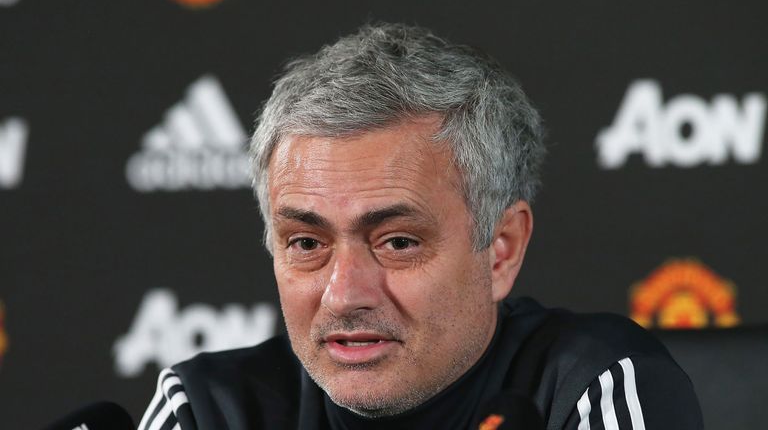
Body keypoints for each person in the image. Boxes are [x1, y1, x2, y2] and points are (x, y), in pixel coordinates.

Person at [138, 23, 702, 430]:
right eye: (307, 243)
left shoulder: (591, 389)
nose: (345, 294)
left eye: (398, 242)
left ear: (500, 251)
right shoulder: (204, 411)